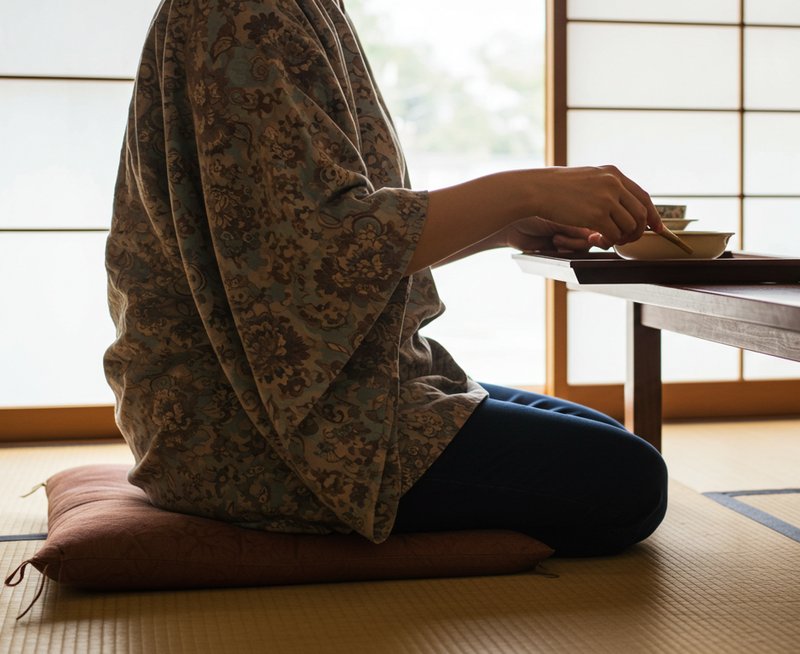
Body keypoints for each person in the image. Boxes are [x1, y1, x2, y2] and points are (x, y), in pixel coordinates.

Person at [104, 0, 667, 556]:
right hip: (244, 418)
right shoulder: (243, 12)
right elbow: (314, 249)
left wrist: (508, 226)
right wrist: (526, 188)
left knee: (612, 440)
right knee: (631, 481)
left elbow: (340, 236)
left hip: (345, 384)